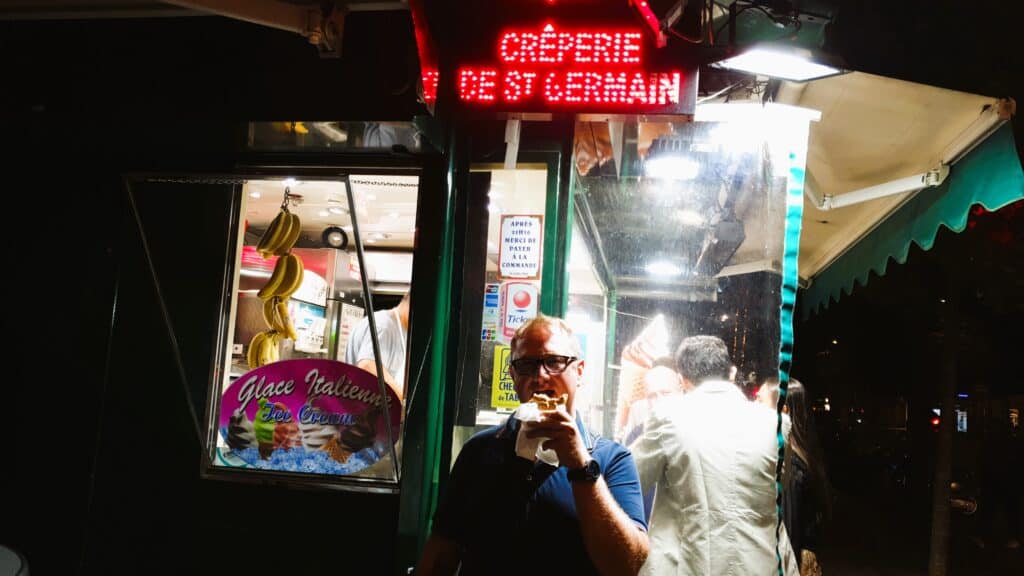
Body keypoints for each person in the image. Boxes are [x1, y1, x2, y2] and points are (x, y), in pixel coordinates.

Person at [417, 315, 650, 576]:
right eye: (527, 365)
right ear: (513, 374)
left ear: (579, 371)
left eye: (554, 362)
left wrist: (581, 465)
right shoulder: (479, 452)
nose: (540, 377)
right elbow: (440, 556)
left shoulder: (612, 459)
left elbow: (626, 566)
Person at [631, 335, 785, 575]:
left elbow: (630, 481)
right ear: (731, 374)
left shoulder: (667, 417)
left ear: (683, 380)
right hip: (761, 567)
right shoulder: (775, 424)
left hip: (690, 567)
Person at [781, 379, 829, 575]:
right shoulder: (807, 453)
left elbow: (792, 527)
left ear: (784, 410)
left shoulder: (793, 464)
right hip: (808, 556)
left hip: (796, 561)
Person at [344, 292, 409, 402]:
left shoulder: (401, 329)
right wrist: (403, 400)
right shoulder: (384, 326)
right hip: (363, 411)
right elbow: (368, 366)